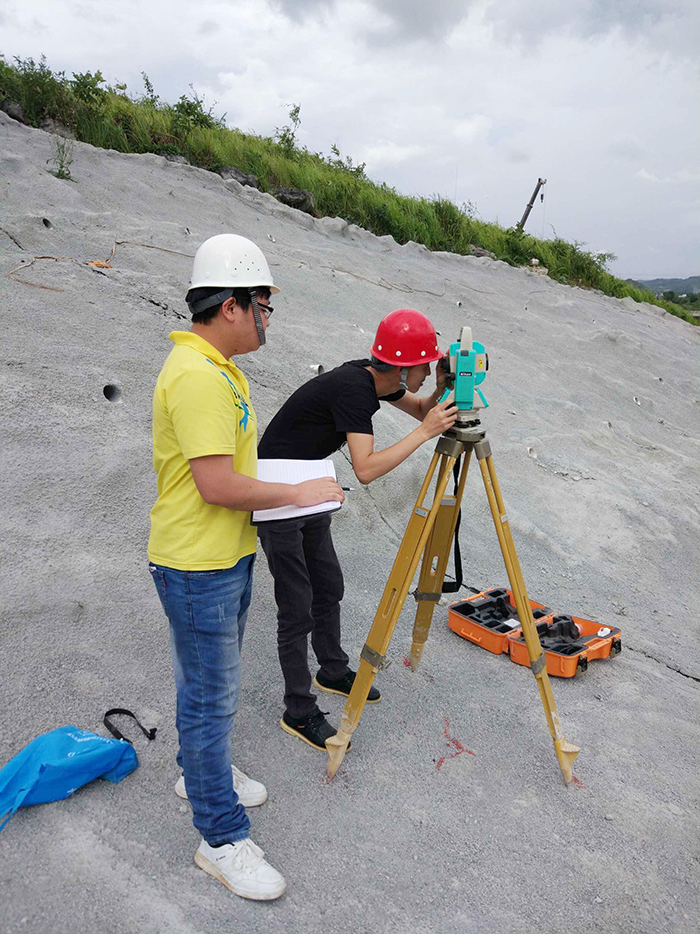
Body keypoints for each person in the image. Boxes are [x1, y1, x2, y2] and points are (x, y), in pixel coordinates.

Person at [147, 233, 343, 902]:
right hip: (198, 563)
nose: (267, 316)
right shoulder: (199, 376)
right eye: (263, 303)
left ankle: (200, 773)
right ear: (231, 305)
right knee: (209, 699)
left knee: (204, 686)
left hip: (217, 557)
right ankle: (221, 837)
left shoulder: (217, 368)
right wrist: (299, 492)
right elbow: (217, 486)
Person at [257, 308, 458, 751]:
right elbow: (366, 469)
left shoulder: (376, 379)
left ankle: (331, 669)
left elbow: (424, 408)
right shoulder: (354, 388)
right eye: (426, 364)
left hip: (310, 484)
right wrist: (425, 434)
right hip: (279, 493)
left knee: (328, 585)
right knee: (297, 606)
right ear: (404, 366)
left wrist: (444, 385)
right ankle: (299, 710)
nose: (427, 369)